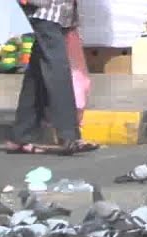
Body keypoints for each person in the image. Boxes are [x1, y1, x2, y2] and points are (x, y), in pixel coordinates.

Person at [6, 0, 99, 155]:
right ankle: (68, 135)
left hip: (59, 14)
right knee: (58, 70)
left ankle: (21, 134)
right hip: (45, 13)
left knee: (37, 75)